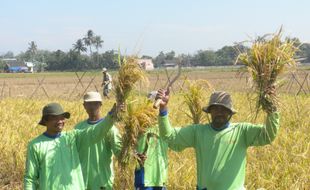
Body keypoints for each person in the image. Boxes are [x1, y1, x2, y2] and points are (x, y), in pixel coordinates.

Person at [156, 89, 280, 190]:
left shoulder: (242, 131)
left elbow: (268, 135)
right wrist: (163, 109)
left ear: (230, 112)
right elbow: (170, 137)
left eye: (224, 109)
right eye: (215, 109)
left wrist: (272, 108)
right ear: (210, 112)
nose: (219, 113)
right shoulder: (198, 132)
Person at [24, 101, 121, 189]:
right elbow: (30, 178)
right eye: (55, 118)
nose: (60, 121)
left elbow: (94, 132)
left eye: (62, 117)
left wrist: (110, 117)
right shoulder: (35, 145)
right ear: (45, 121)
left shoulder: (72, 137)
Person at [75, 91, 122, 190]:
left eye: (95, 103)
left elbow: (119, 152)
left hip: (103, 182)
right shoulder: (78, 128)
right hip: (82, 182)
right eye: (89, 104)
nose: (92, 107)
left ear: (100, 104)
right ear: (84, 106)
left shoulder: (111, 128)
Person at [134, 91, 171, 190]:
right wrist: (135, 154)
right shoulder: (138, 125)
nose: (154, 108)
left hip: (160, 176)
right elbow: (127, 147)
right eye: (150, 104)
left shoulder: (164, 126)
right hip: (143, 177)